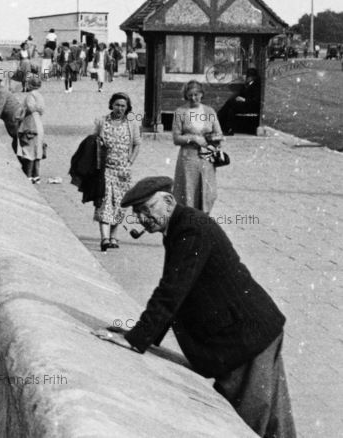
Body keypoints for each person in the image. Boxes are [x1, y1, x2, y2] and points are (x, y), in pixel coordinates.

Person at [113, 176, 295, 438]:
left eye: (146, 209)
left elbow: (172, 291)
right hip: (249, 333)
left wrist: (136, 339)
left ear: (168, 201)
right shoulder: (180, 226)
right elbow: (177, 292)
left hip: (246, 339)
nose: (141, 218)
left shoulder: (191, 229)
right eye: (137, 213)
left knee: (251, 422)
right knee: (273, 421)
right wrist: (137, 336)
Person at [92, 93, 141, 251]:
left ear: (127, 108)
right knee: (104, 202)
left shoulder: (131, 124)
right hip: (105, 169)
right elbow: (94, 142)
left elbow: (137, 144)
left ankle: (114, 236)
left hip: (122, 171)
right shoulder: (102, 121)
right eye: (117, 105)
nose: (119, 108)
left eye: (123, 106)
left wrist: (130, 161)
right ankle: (104, 238)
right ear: (111, 105)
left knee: (120, 205)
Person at [172, 80, 224, 214]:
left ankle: (203, 222)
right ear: (186, 95)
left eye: (196, 94)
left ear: (201, 94)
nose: (193, 98)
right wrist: (193, 138)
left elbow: (219, 134)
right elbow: (176, 138)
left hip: (206, 159)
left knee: (208, 194)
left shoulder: (209, 111)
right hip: (188, 160)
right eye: (190, 95)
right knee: (188, 192)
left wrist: (210, 139)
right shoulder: (180, 112)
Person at [16, 76, 45, 183]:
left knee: (28, 150)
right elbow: (41, 110)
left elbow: (30, 108)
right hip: (38, 123)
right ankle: (36, 176)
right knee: (37, 151)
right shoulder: (40, 96)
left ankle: (28, 175)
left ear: (30, 85)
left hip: (30, 123)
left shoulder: (30, 96)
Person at [217, 68, 261, 135]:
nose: (246, 78)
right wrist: (238, 98)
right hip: (244, 105)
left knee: (230, 103)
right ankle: (226, 128)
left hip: (250, 106)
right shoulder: (247, 84)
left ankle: (218, 119)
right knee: (230, 108)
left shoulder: (256, 86)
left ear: (252, 77)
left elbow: (256, 101)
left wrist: (244, 100)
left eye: (247, 76)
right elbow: (241, 93)